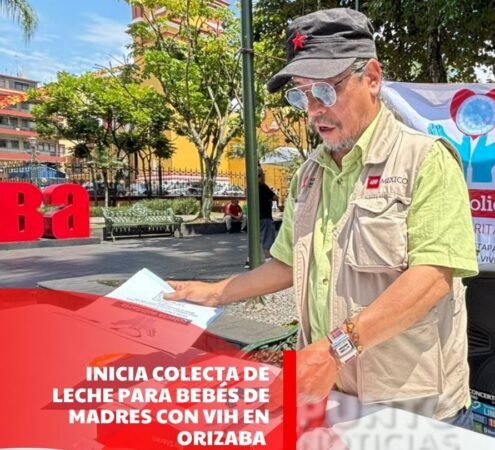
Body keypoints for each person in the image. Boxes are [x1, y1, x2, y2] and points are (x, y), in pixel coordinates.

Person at [164, 8, 478, 428]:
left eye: (326, 91)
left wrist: (335, 349)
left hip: (411, 405)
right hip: (331, 396)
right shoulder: (311, 173)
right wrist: (214, 293)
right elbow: (288, 262)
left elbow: (433, 277)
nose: (313, 110)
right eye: (301, 94)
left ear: (371, 77)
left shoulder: (424, 160)